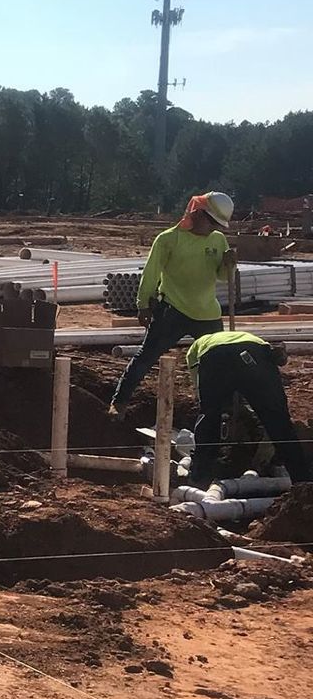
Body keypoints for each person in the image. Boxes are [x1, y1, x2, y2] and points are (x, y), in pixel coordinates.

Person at [110, 190, 237, 414]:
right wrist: (143, 305)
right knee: (146, 357)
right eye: (212, 223)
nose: (214, 228)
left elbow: (222, 276)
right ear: (197, 213)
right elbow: (151, 273)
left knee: (221, 362)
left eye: (218, 225)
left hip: (207, 314)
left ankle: (226, 409)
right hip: (173, 310)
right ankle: (119, 403)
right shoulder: (169, 239)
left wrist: (229, 266)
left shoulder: (218, 240)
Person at [184, 331, 310, 484]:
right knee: (278, 421)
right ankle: (302, 480)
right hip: (255, 355)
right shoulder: (250, 337)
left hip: (215, 358)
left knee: (209, 417)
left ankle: (200, 475)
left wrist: (223, 402)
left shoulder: (195, 349)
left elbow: (202, 393)